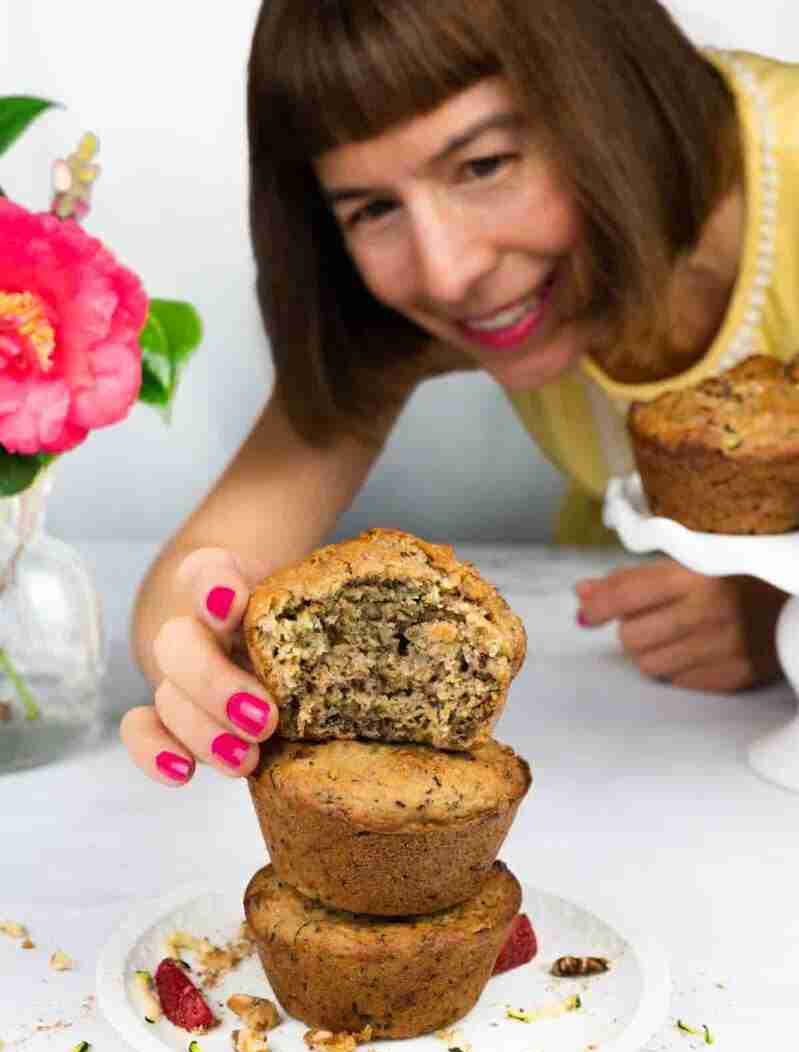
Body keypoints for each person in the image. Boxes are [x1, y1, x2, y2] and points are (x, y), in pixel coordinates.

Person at [121, 0, 797, 787]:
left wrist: (774, 609)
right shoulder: (440, 300)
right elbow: (196, 579)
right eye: (371, 208)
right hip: (653, 749)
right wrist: (205, 658)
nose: (445, 272)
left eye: (483, 165)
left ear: (609, 91)